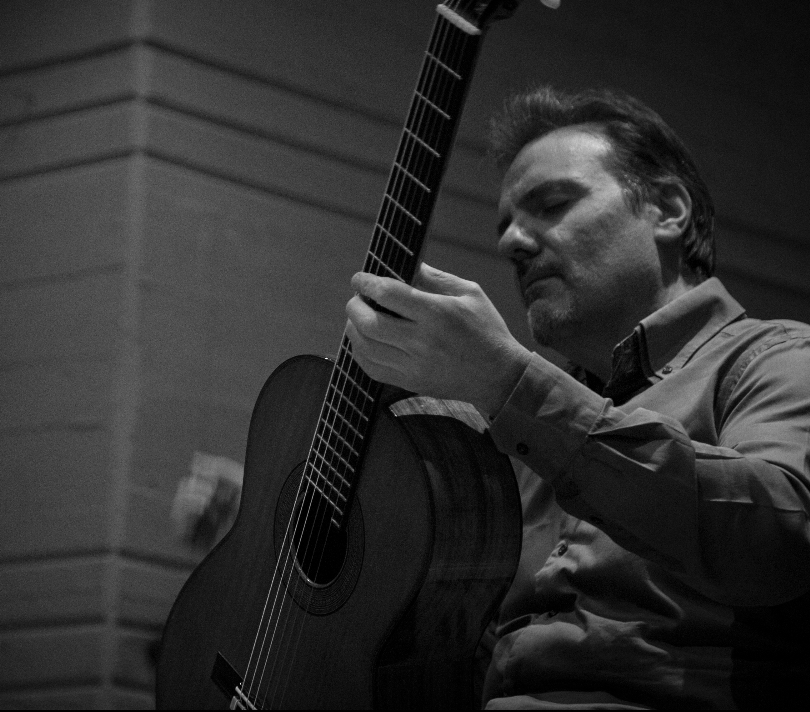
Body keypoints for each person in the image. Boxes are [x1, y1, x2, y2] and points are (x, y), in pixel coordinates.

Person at [345, 86, 810, 709]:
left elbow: (781, 539)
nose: (512, 242)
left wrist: (508, 383)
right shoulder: (515, 447)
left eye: (553, 204)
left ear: (668, 210)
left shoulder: (778, 357)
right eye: (506, 224)